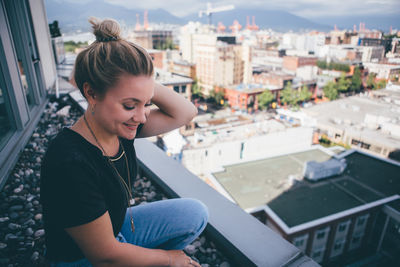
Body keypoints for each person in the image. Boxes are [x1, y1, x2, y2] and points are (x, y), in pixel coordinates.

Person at [40, 17, 208, 267]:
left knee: (195, 214)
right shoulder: (69, 163)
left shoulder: (118, 127)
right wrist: (169, 259)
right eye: (129, 105)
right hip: (84, 258)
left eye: (146, 103)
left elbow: (185, 112)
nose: (141, 117)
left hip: (114, 232)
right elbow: (104, 255)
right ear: (92, 93)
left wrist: (134, 71)